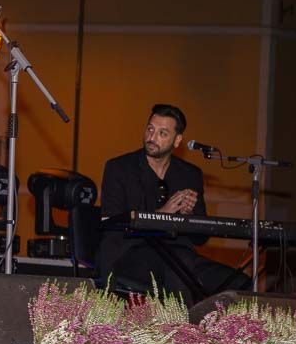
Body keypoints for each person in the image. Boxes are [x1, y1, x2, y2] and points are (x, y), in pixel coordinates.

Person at [98, 103, 248, 302]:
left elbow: (200, 239)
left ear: (177, 141)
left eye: (162, 133)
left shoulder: (189, 174)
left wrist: (188, 216)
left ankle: (219, 331)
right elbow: (111, 226)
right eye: (150, 129)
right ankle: (182, 331)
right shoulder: (119, 168)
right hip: (128, 256)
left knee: (239, 283)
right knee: (178, 267)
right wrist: (162, 214)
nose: (152, 137)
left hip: (179, 258)